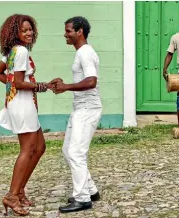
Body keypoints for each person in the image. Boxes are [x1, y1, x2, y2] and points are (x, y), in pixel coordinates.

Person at [0, 14, 51, 216]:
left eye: (30, 29)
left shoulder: (12, 51)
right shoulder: (21, 51)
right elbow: (18, 82)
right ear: (15, 33)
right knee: (27, 150)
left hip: (21, 102)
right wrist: (41, 86)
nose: (29, 33)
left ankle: (19, 191)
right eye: (24, 30)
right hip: (22, 103)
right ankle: (11, 195)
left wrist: (13, 88)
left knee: (40, 146)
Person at [50, 16, 102, 213]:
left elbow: (91, 82)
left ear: (80, 31)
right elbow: (84, 79)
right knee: (67, 150)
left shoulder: (85, 53)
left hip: (88, 109)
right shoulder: (81, 52)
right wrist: (63, 84)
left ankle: (82, 198)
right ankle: (91, 190)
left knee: (76, 153)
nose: (65, 34)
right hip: (80, 109)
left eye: (69, 31)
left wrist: (66, 87)